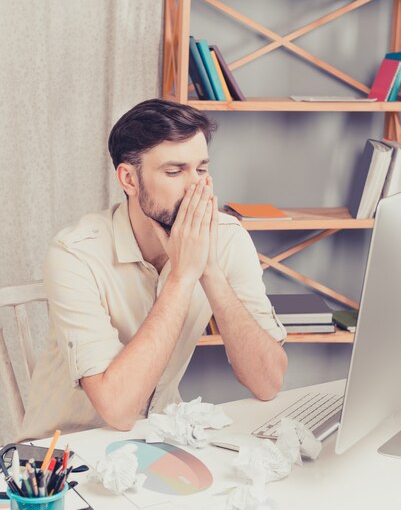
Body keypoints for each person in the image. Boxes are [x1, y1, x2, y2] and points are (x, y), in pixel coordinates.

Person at [19, 99, 288, 440]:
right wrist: (182, 276)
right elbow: (117, 410)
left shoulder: (227, 238)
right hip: (62, 453)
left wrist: (208, 269)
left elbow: (267, 383)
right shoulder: (75, 254)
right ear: (129, 179)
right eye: (174, 172)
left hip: (157, 436)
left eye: (202, 169)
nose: (197, 187)